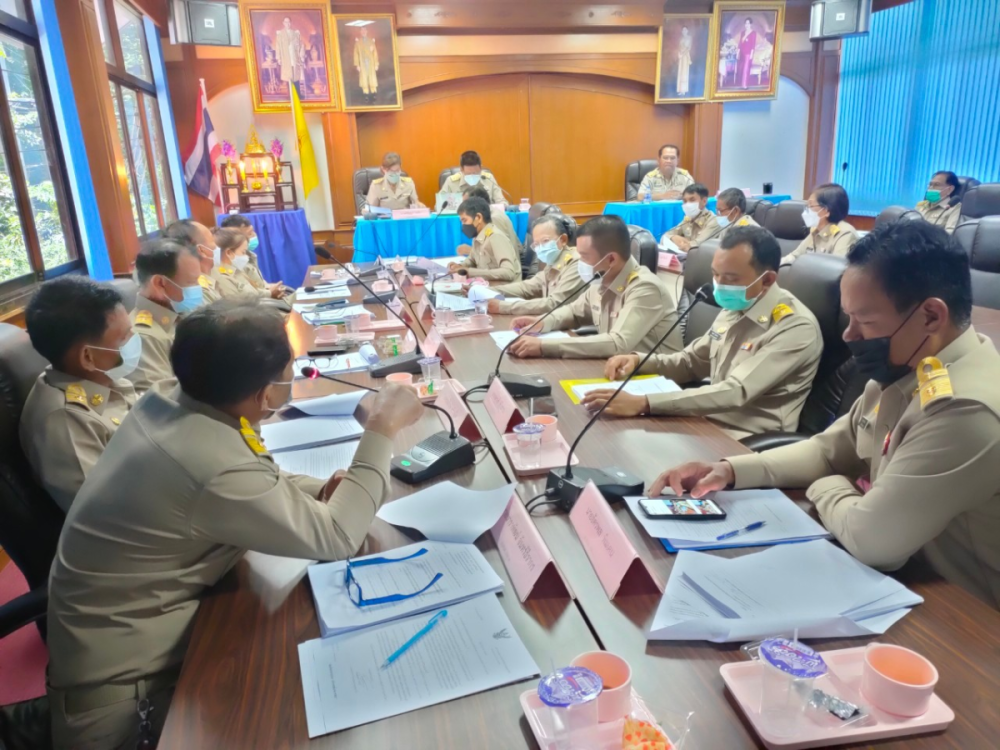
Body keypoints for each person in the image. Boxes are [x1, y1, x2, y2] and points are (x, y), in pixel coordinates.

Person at [45, 301, 424, 748]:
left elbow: (254, 477)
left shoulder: (172, 399)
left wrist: (321, 489)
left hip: (150, 647)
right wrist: (382, 426)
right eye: (288, 372)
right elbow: (337, 537)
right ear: (265, 394)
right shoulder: (208, 459)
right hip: (130, 710)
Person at [650, 221, 1000, 608]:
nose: (849, 336)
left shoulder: (965, 408)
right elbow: (825, 450)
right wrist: (730, 470)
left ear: (931, 317)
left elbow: (873, 540)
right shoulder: (903, 372)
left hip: (968, 618)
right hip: (905, 582)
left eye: (864, 321)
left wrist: (828, 485)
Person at [581, 227, 822, 439]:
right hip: (706, 421)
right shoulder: (737, 305)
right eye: (715, 274)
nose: (718, 284)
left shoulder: (794, 327)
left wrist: (643, 403)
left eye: (729, 278)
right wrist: (639, 361)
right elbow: (690, 362)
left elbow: (735, 391)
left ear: (767, 279)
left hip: (748, 440)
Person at [20, 277, 138, 513]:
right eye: (124, 337)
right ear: (87, 357)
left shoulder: (105, 379)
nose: (134, 341)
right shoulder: (65, 420)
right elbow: (107, 514)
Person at [508, 215, 681, 359]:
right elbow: (573, 312)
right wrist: (542, 323)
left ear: (611, 259)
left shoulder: (645, 288)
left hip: (655, 382)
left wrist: (543, 346)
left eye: (583, 257)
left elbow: (617, 343)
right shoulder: (601, 278)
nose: (579, 263)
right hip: (617, 370)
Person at [128, 238, 202, 396]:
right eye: (191, 282)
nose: (198, 288)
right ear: (160, 283)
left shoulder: (181, 313)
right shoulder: (144, 337)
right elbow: (161, 402)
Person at [487, 213, 582, 315]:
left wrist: (504, 307)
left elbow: (555, 303)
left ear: (563, 239)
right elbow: (526, 287)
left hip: (572, 327)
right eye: (536, 244)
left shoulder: (576, 263)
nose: (540, 248)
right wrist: (487, 291)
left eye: (545, 241)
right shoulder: (553, 261)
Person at [448, 197, 521, 282]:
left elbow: (508, 272)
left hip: (504, 291)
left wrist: (470, 272)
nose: (463, 225)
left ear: (478, 217)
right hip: (487, 288)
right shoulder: (477, 236)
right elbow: (472, 259)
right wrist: (459, 266)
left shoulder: (496, 237)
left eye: (464, 220)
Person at [784, 183, 859, 265]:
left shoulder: (845, 234)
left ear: (826, 211)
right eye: (806, 206)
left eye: (811, 206)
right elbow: (794, 256)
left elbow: (836, 269)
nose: (807, 211)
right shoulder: (816, 231)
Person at [212, 228, 284, 302]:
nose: (246, 256)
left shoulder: (237, 271)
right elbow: (238, 304)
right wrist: (269, 293)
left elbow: (254, 291)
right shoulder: (222, 278)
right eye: (243, 252)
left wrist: (269, 291)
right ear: (229, 253)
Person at [163, 218, 221, 305]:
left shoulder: (211, 275)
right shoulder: (197, 293)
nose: (217, 246)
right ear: (201, 250)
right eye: (212, 240)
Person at [219, 215, 278, 294]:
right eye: (249, 233)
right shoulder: (235, 262)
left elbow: (257, 283)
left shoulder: (249, 255)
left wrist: (269, 287)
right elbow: (247, 294)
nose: (254, 235)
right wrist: (269, 293)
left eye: (253, 231)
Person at [459, 184, 522, 256]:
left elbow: (501, 253)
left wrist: (471, 251)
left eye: (466, 204)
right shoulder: (482, 216)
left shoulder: (494, 219)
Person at [662, 183, 720, 252]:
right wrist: (673, 237)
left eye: (692, 200)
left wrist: (684, 245)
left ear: (704, 201)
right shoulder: (688, 219)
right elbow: (665, 236)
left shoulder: (714, 221)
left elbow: (696, 245)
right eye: (685, 201)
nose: (687, 204)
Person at [275, 16, 305, 86]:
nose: (287, 24)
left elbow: (300, 45)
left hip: (294, 57)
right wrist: (278, 58)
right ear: (283, 23)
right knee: (288, 78)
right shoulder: (280, 34)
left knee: (295, 77)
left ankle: (297, 95)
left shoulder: (295, 33)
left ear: (290, 23)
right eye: (286, 22)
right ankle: (290, 95)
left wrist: (301, 55)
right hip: (285, 58)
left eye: (289, 22)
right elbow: (278, 47)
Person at [354, 25, 379, 104]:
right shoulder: (358, 42)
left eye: (364, 30)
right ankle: (366, 95)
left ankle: (374, 94)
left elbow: (375, 53)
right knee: (364, 78)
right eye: (362, 30)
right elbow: (356, 54)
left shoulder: (371, 41)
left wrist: (376, 64)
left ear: (367, 31)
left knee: (372, 77)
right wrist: (357, 64)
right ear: (360, 32)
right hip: (363, 63)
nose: (363, 32)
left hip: (370, 63)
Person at [737, 17, 757, 89]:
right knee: (742, 69)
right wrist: (738, 51)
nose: (746, 24)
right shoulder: (742, 33)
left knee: (746, 69)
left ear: (750, 24)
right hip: (742, 53)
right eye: (745, 23)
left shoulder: (753, 33)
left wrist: (752, 54)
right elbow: (740, 43)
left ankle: (744, 85)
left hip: (748, 53)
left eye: (748, 23)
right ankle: (742, 84)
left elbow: (753, 44)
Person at [677, 26, 692, 96]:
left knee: (684, 73)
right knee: (680, 72)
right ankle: (680, 90)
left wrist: (682, 54)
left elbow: (688, 48)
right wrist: (679, 53)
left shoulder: (689, 38)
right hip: (681, 56)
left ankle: (684, 90)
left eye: (685, 30)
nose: (684, 31)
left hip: (685, 56)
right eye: (683, 30)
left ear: (687, 30)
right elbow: (679, 47)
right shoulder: (681, 38)